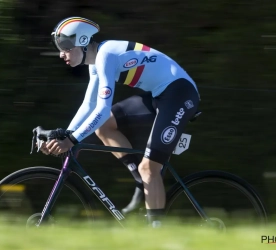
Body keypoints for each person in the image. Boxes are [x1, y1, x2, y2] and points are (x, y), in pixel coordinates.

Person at [41, 16, 200, 228]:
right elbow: (88, 106)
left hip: (179, 94)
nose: (61, 53)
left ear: (83, 41)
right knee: (105, 127)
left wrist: (72, 139)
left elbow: (102, 108)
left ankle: (157, 234)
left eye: (66, 46)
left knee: (150, 168)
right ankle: (139, 178)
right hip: (159, 95)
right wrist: (64, 134)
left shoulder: (106, 55)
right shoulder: (96, 62)